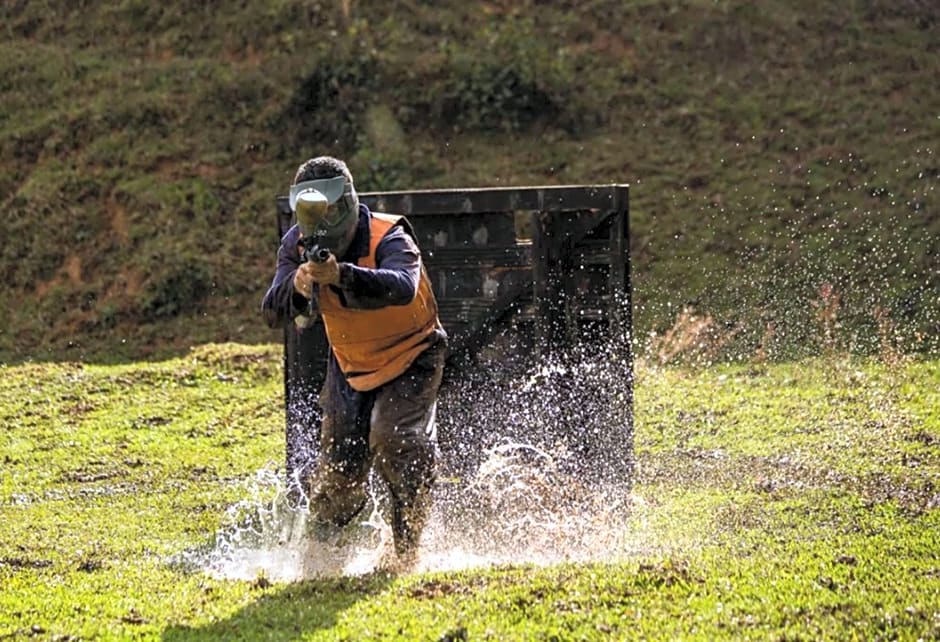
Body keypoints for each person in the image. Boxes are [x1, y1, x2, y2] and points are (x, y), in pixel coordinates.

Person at [261, 156, 447, 570]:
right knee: (339, 469)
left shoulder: (388, 235)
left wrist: (340, 275)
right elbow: (271, 312)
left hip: (413, 352)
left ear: (346, 205)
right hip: (352, 364)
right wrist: (296, 284)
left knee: (395, 437)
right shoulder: (295, 245)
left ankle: (404, 551)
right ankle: (321, 562)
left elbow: (402, 287)